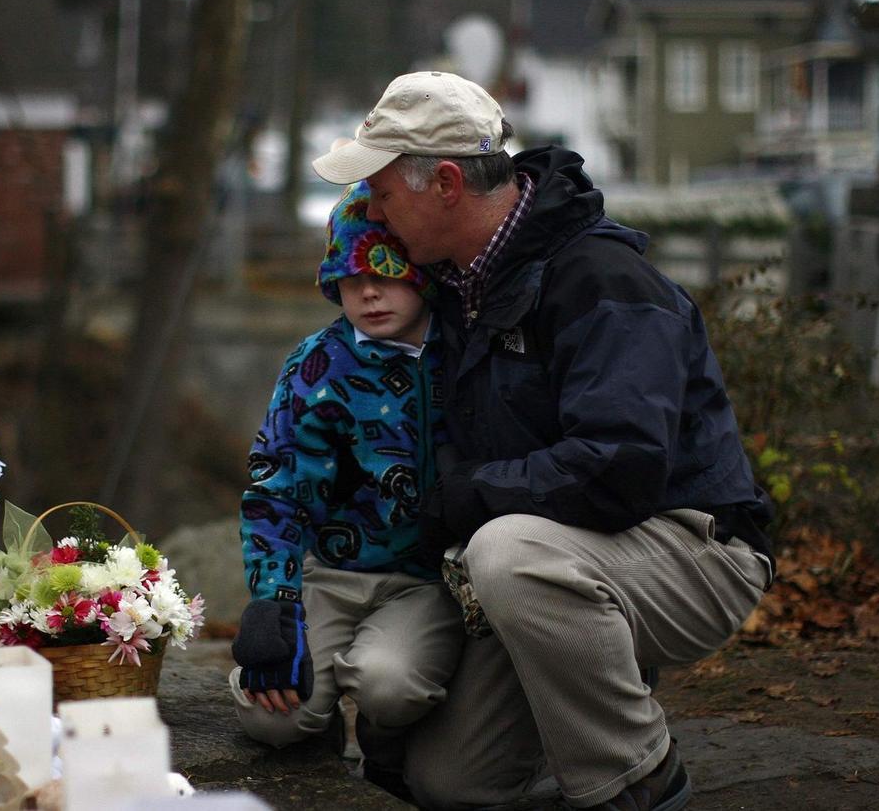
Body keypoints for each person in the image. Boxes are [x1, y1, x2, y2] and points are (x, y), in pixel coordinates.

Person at [311, 71, 774, 811]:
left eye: (382, 191)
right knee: (451, 784)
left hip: (693, 547)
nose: (371, 210)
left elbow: (622, 468)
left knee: (505, 553)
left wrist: (463, 500)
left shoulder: (602, 281)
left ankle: (638, 777)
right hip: (559, 553)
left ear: (448, 184)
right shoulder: (463, 289)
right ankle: (583, 672)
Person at [229, 181, 464, 789]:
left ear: (422, 274)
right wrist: (272, 601)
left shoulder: (464, 350)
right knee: (274, 716)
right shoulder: (319, 364)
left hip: (423, 580)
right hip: (327, 573)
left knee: (390, 685)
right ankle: (318, 727)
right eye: (348, 278)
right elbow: (275, 480)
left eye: (386, 272)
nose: (368, 291)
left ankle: (387, 744)